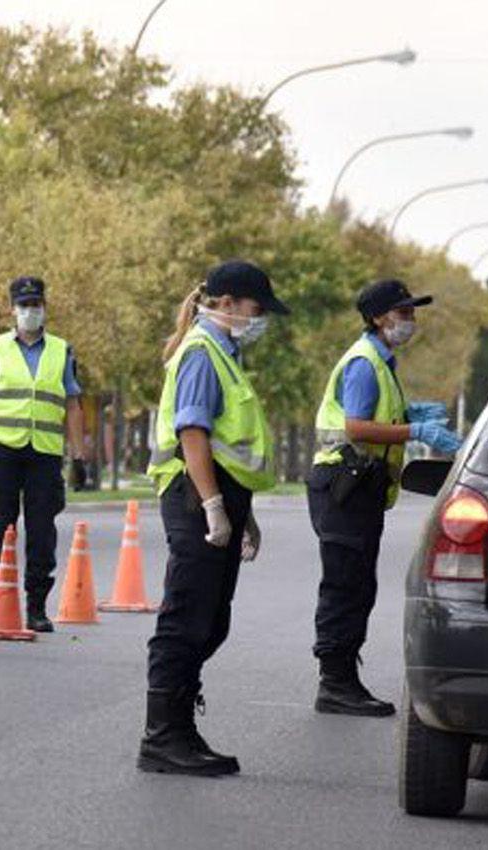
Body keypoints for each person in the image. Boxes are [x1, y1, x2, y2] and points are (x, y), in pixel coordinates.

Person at [138, 260, 287, 777]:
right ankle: (162, 737)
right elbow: (193, 434)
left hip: (219, 496)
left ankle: (180, 729)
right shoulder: (202, 353)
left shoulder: (226, 352)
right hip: (193, 496)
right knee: (185, 618)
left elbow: (228, 445)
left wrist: (241, 512)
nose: (259, 316)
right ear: (225, 304)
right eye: (255, 307)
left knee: (210, 620)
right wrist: (213, 505)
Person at [307, 278, 462, 715]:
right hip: (344, 486)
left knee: (358, 585)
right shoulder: (363, 363)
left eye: (412, 313)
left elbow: (376, 415)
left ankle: (342, 679)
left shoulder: (381, 362)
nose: (410, 321)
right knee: (344, 586)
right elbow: (356, 427)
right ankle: (334, 683)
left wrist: (410, 412)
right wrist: (416, 430)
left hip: (359, 488)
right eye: (403, 313)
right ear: (378, 318)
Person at [0, 276, 86, 632]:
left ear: (45, 307)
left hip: (45, 454)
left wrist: (78, 458)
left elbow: (73, 405)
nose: (31, 311)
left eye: (36, 304)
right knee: (0, 525)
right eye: (24, 305)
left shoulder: (62, 350)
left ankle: (36, 606)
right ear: (12, 310)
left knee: (42, 530)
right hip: (2, 449)